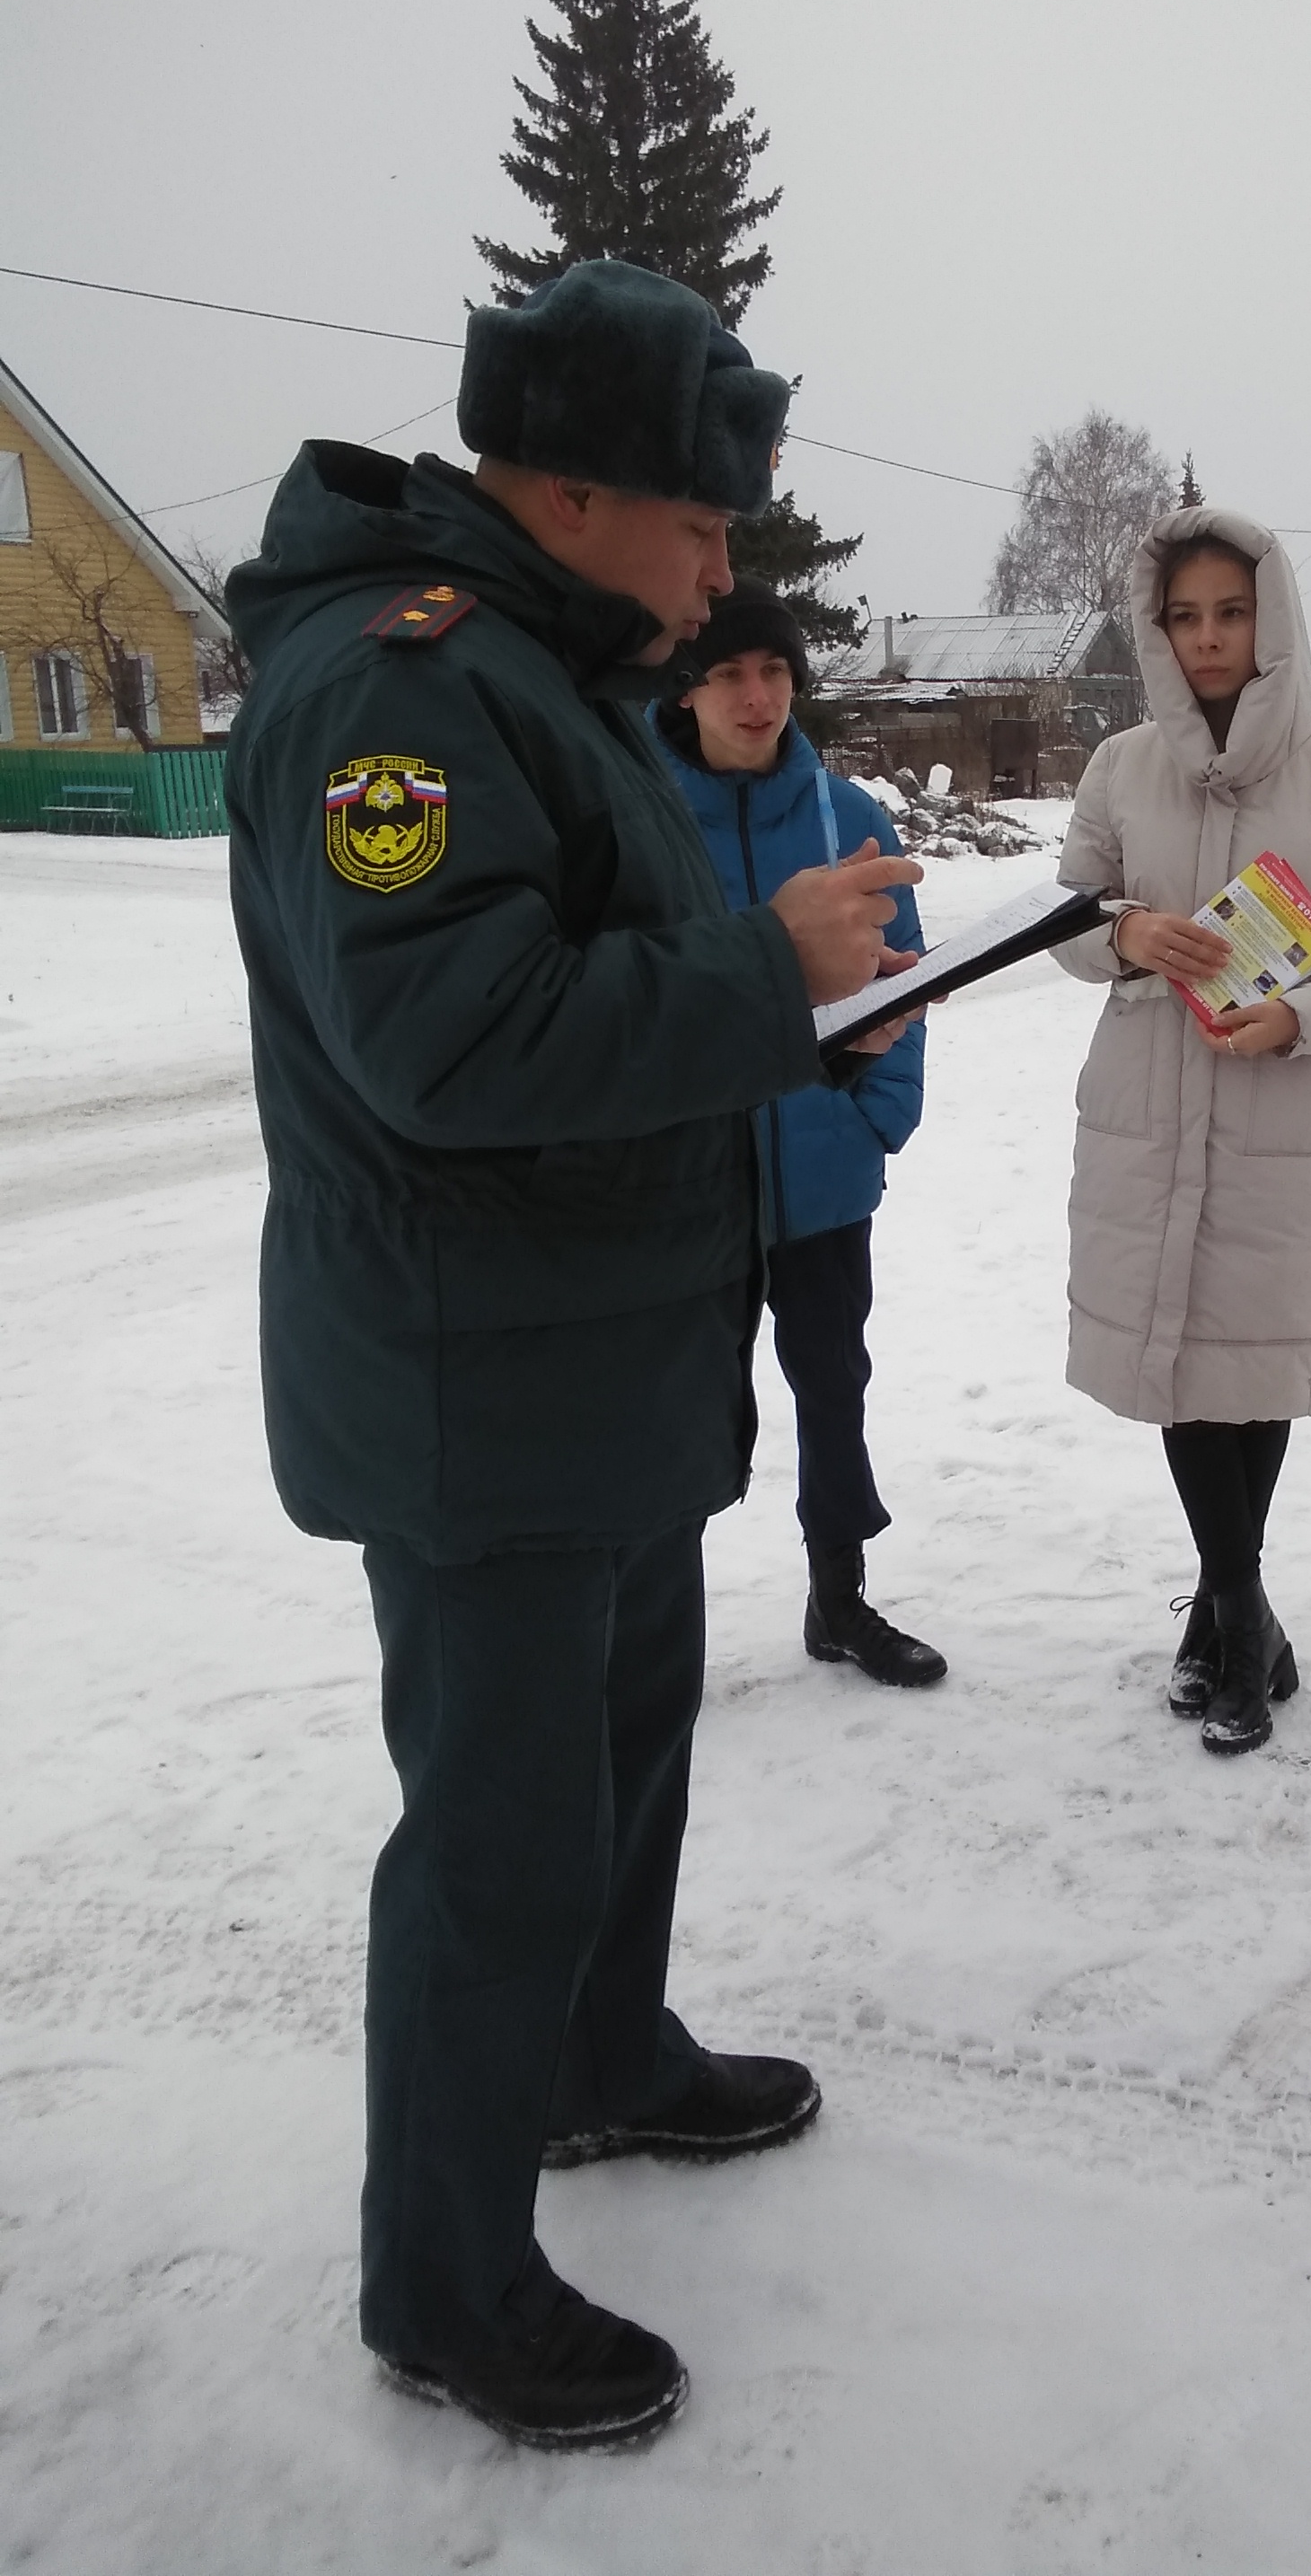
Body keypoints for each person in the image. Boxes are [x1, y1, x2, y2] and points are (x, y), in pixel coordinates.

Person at [223, 259, 920, 2453]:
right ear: (565, 489)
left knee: (620, 1773)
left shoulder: (537, 673)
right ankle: (442, 2281)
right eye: (704, 529)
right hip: (477, 1394)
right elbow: (447, 1040)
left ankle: (601, 2060)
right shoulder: (398, 695)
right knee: (499, 1841)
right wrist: (753, 973)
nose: (726, 576)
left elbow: (606, 986)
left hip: (594, 1377)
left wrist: (793, 995)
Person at [1051, 506, 1311, 1753]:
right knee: (1177, 1365)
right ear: (1157, 632)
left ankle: (1230, 1612)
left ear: (1271, 620)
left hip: (1282, 1114)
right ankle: (1240, 1612)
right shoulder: (1120, 768)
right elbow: (1060, 925)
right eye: (1184, 617)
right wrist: (1124, 936)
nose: (1209, 639)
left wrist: (1304, 1020)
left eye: (1231, 612)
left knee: (1249, 1369)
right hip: (1151, 1113)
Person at [653, 582, 946, 1685]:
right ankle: (656, 1638)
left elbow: (910, 981)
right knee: (678, 1415)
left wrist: (873, 1119)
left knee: (833, 1388)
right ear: (687, 689)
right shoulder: (640, 813)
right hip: (686, 1182)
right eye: (728, 671)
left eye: (774, 670)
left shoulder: (849, 819)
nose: (756, 693)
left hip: (822, 1175)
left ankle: (841, 1601)